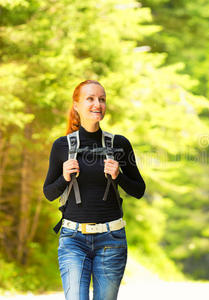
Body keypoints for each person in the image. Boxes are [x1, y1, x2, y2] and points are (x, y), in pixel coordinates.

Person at [43, 80, 146, 300]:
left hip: (111, 240)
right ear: (76, 105)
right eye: (90, 98)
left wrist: (120, 176)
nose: (97, 104)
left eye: (101, 99)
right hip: (73, 240)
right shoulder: (62, 146)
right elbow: (49, 193)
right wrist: (63, 177)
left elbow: (139, 190)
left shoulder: (119, 144)